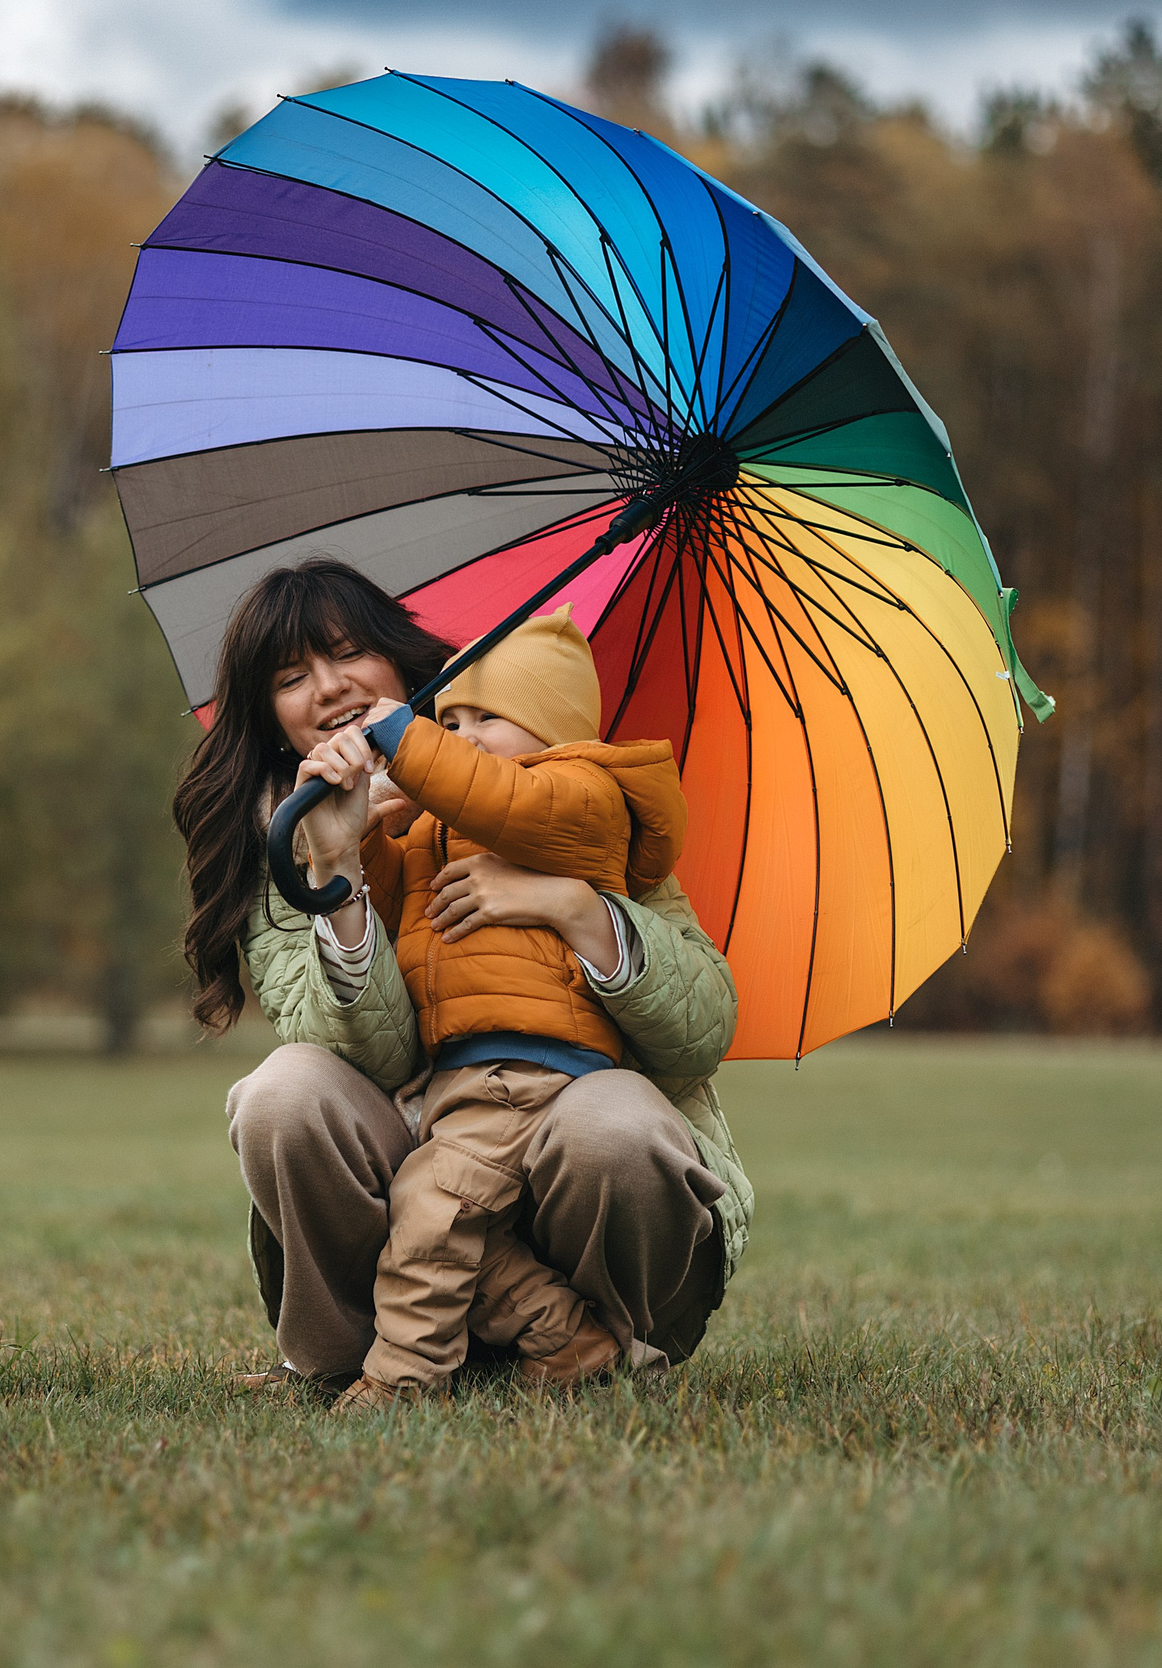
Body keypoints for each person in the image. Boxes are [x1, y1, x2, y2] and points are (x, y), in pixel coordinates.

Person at [171, 557, 752, 1396]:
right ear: (270, 719)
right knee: (284, 1092)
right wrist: (337, 868)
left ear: (405, 669)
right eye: (293, 677)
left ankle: (603, 1343)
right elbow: (370, 1056)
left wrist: (575, 909)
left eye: (347, 656)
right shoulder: (283, 851)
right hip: (416, 1138)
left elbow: (701, 1032)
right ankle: (339, 1355)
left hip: (549, 1125)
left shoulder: (565, 799)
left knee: (617, 1127)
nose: (329, 689)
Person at [294, 607, 688, 1406]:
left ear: (554, 730)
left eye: (489, 718)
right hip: (466, 1070)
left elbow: (504, 800)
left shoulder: (584, 798)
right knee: (465, 1226)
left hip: (527, 1066)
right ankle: (570, 1339)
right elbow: (398, 903)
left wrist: (406, 737)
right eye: (453, 717)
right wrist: (355, 837)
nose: (463, 737)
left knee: (433, 1209)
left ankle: (403, 1380)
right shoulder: (445, 824)